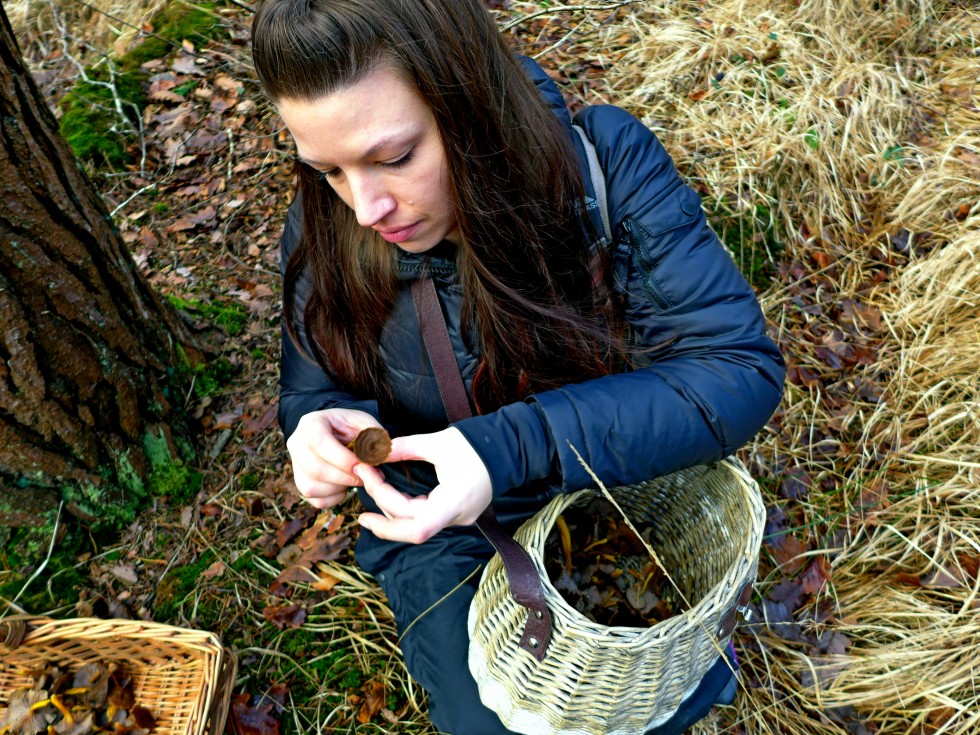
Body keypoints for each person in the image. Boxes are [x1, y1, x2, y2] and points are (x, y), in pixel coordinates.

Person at [251, 0, 785, 732]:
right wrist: (314, 426)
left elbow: (736, 369)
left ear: (467, 100)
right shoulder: (326, 214)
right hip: (447, 536)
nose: (367, 206)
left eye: (396, 157)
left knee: (634, 707)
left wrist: (508, 448)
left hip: (612, 489)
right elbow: (314, 379)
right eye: (330, 169)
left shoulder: (602, 166)